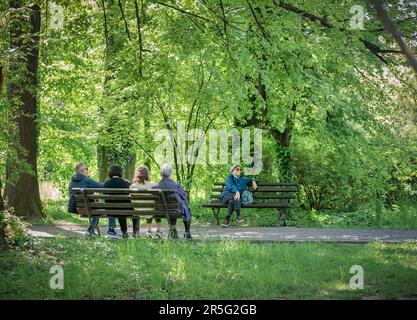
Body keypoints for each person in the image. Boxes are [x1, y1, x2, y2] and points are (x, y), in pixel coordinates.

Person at [67, 162, 119, 237]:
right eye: (86, 169)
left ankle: (91, 230)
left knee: (95, 207)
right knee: (111, 206)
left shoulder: (72, 182)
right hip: (89, 208)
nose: (88, 170)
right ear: (82, 171)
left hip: (78, 208)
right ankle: (111, 230)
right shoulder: (87, 181)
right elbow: (103, 187)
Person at [152, 163, 192, 239]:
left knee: (171, 206)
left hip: (159, 211)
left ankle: (173, 231)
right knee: (184, 207)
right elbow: (184, 196)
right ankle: (187, 232)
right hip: (175, 210)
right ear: (170, 173)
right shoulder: (176, 185)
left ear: (161, 173)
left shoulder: (155, 186)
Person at [129, 165, 162, 238]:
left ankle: (148, 231)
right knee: (154, 206)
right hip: (151, 211)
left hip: (138, 212)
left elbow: (132, 201)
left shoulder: (132, 187)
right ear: (147, 174)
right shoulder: (153, 185)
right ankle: (156, 231)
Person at [103, 164, 131, 239]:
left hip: (109, 209)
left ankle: (122, 231)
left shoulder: (106, 183)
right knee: (121, 209)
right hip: (124, 209)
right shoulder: (126, 183)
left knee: (117, 208)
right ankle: (124, 231)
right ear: (120, 172)